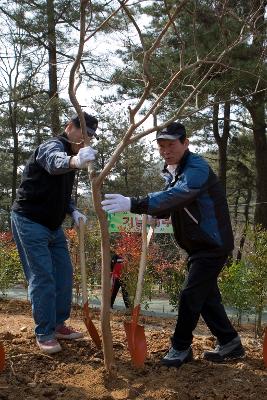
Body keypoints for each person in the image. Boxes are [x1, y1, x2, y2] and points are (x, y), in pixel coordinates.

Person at [101, 121, 245, 368]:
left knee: (190, 295)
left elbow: (182, 194)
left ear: (185, 143)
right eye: (162, 146)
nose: (166, 150)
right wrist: (157, 212)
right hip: (197, 245)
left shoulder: (196, 167)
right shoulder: (172, 170)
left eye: (171, 145)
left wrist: (136, 203)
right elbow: (179, 204)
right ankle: (230, 342)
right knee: (206, 298)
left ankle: (180, 347)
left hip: (212, 244)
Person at [11, 112, 98, 355]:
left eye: (91, 135)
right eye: (83, 132)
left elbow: (60, 192)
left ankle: (58, 324)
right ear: (69, 126)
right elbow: (53, 162)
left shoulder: (73, 155)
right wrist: (74, 162)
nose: (86, 138)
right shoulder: (52, 146)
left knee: (63, 273)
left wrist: (73, 210)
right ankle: (45, 332)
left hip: (52, 225)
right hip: (29, 220)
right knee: (43, 277)